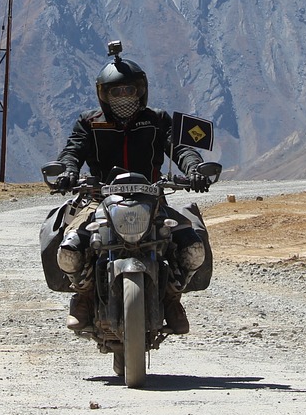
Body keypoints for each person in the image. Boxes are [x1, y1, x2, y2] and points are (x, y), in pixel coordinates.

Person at [49, 42, 212, 334]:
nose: (124, 97)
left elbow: (181, 148)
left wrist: (194, 169)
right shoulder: (89, 123)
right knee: (70, 246)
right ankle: (84, 297)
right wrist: (68, 171)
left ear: (141, 91)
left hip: (153, 199)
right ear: (104, 95)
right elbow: (72, 151)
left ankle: (173, 298)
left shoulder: (157, 120)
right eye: (116, 92)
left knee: (192, 246)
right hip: (98, 199)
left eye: (129, 90)